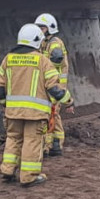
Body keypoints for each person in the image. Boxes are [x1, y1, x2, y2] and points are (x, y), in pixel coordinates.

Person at [0, 24, 72, 186]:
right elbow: (54, 88)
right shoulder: (42, 61)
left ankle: (8, 170)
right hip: (35, 114)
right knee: (32, 141)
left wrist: (4, 105)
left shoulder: (7, 59)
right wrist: (69, 100)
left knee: (13, 138)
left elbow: (0, 87)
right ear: (37, 40)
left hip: (13, 112)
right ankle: (28, 177)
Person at [35, 13, 73, 156]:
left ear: (50, 28)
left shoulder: (54, 43)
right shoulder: (44, 43)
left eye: (42, 27)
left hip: (55, 85)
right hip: (51, 84)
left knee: (52, 113)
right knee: (53, 114)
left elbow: (56, 59)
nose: (40, 30)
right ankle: (54, 145)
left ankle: (50, 145)